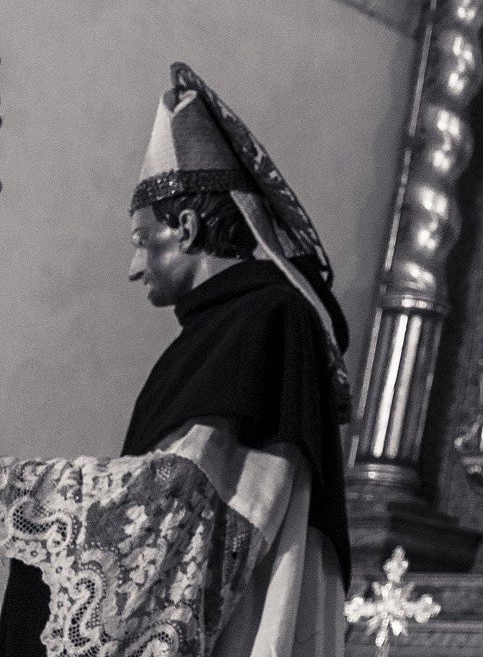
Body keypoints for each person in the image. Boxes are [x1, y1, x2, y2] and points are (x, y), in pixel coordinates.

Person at [1, 65, 352, 657]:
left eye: (142, 240)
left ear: (186, 228)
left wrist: (24, 491)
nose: (134, 268)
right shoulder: (238, 323)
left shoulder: (264, 318)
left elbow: (184, 498)